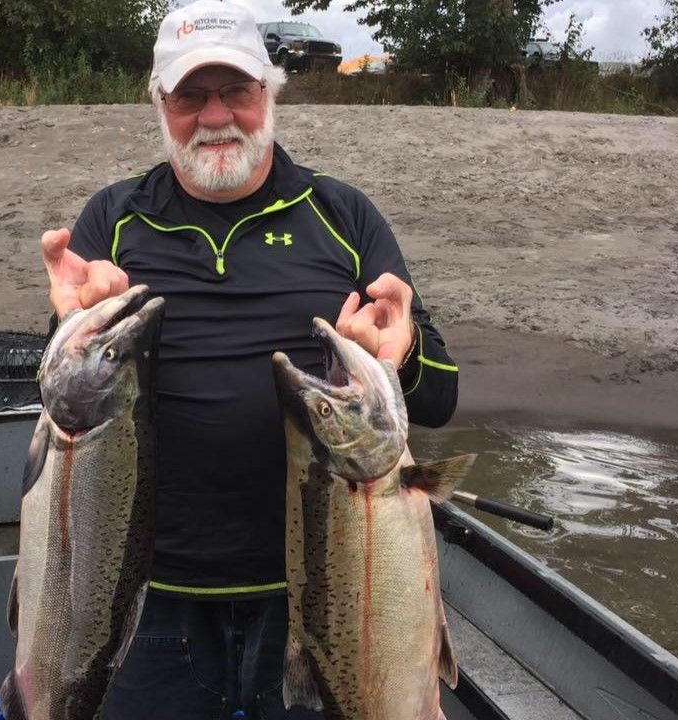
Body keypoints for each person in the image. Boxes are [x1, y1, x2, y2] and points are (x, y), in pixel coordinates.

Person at [39, 2, 458, 717]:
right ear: (159, 103)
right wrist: (68, 323)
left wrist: (406, 347)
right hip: (144, 595)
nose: (215, 115)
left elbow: (441, 400)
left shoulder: (343, 215)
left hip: (320, 595)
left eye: (236, 90)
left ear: (271, 92)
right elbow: (63, 401)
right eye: (190, 96)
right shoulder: (115, 218)